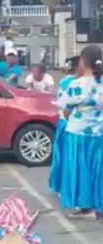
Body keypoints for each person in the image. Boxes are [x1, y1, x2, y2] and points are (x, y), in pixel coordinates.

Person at [57, 45, 103, 220]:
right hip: (99, 134)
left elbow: (65, 109)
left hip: (77, 134)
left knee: (79, 169)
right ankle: (96, 204)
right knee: (96, 169)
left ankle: (86, 209)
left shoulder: (76, 84)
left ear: (84, 61)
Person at [49, 56, 80, 194]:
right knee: (70, 158)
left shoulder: (65, 81)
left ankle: (60, 186)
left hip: (65, 122)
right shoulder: (73, 82)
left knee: (63, 156)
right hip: (71, 123)